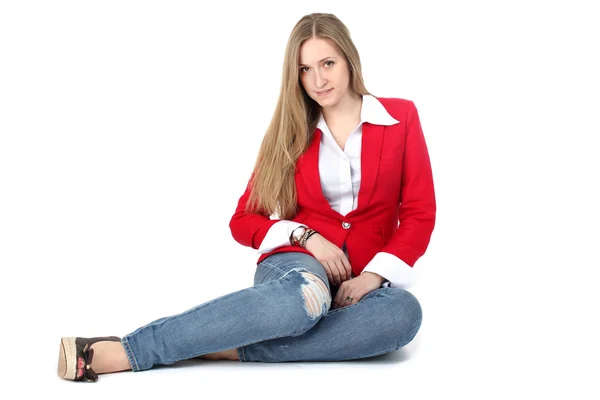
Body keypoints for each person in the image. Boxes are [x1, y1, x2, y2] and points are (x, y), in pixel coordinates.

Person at [57, 12, 436, 383]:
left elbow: (420, 213)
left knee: (401, 316)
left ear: (349, 60)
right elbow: (243, 221)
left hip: (366, 275)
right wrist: (307, 237)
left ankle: (227, 346)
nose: (318, 79)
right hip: (297, 266)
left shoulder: (400, 117)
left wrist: (372, 275)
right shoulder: (290, 133)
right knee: (301, 300)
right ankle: (130, 350)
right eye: (305, 69)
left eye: (327, 63)